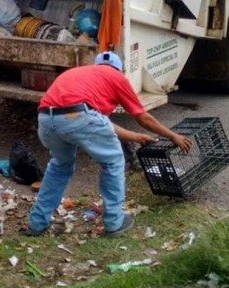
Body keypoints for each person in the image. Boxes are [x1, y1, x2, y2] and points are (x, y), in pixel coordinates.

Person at [21, 51, 191, 238]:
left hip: (46, 120)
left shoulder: (81, 74)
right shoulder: (116, 77)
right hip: (79, 116)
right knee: (113, 162)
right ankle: (114, 222)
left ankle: (36, 224)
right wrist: (173, 136)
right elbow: (143, 117)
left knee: (60, 166)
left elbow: (99, 123)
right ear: (119, 69)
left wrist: (136, 137)